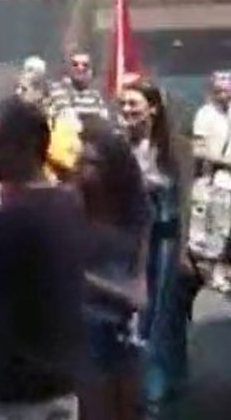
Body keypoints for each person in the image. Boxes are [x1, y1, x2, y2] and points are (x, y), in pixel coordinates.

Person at [0, 98, 88, 420]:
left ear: (25, 147)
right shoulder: (71, 206)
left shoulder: (1, 224)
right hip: (60, 386)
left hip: (4, 393)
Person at [118, 76, 194, 414]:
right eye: (122, 104)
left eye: (133, 103)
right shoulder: (121, 146)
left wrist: (184, 250)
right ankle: (159, 376)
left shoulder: (176, 147)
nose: (126, 110)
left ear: (152, 107)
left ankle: (157, 384)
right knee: (138, 310)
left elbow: (187, 201)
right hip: (133, 240)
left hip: (166, 239)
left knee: (161, 312)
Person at [74, 119, 150, 420]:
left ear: (113, 167)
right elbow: (69, 271)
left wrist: (139, 291)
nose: (82, 168)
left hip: (125, 323)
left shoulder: (136, 205)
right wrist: (121, 293)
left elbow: (140, 263)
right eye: (81, 160)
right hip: (86, 319)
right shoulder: (73, 203)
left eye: (91, 162)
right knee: (97, 410)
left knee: (131, 408)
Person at [189, 71, 231, 289]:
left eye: (228, 88)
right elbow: (199, 150)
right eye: (220, 89)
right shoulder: (205, 114)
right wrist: (225, 162)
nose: (224, 93)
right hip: (216, 181)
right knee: (217, 230)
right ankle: (212, 272)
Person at [49, 50, 109, 123]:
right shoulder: (55, 92)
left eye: (85, 65)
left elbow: (103, 120)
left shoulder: (96, 97)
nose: (80, 68)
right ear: (69, 68)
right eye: (75, 64)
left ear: (90, 70)